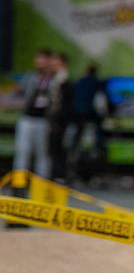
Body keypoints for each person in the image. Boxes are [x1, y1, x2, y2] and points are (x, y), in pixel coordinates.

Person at [13, 48, 53, 178]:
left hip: (43, 120)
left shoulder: (53, 79)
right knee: (22, 152)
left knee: (42, 154)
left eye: (41, 58)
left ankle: (41, 184)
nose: (38, 61)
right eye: (37, 58)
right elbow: (21, 92)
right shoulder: (31, 77)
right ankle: (19, 184)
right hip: (27, 118)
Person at [70, 63, 108, 180]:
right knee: (99, 133)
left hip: (77, 116)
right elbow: (103, 103)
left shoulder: (79, 82)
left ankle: (74, 149)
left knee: (78, 138)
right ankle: (98, 147)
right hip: (91, 115)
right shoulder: (98, 83)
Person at [46, 51, 74, 181]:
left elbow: (66, 106)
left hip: (61, 123)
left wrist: (59, 120)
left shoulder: (64, 81)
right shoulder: (53, 80)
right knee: (53, 149)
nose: (52, 66)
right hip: (54, 121)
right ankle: (55, 176)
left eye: (55, 64)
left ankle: (59, 176)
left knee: (59, 149)